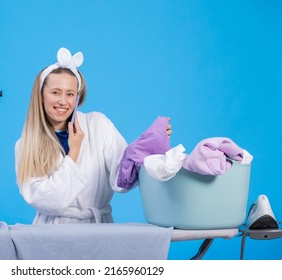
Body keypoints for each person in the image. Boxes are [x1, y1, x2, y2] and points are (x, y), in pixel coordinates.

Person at [15, 47, 172, 224]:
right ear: (41, 95)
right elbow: (50, 202)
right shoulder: (26, 146)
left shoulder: (97, 124)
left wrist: (147, 146)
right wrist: (74, 153)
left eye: (70, 94)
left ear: (77, 97)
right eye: (55, 92)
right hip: (51, 234)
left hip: (98, 229)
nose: (63, 101)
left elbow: (122, 178)